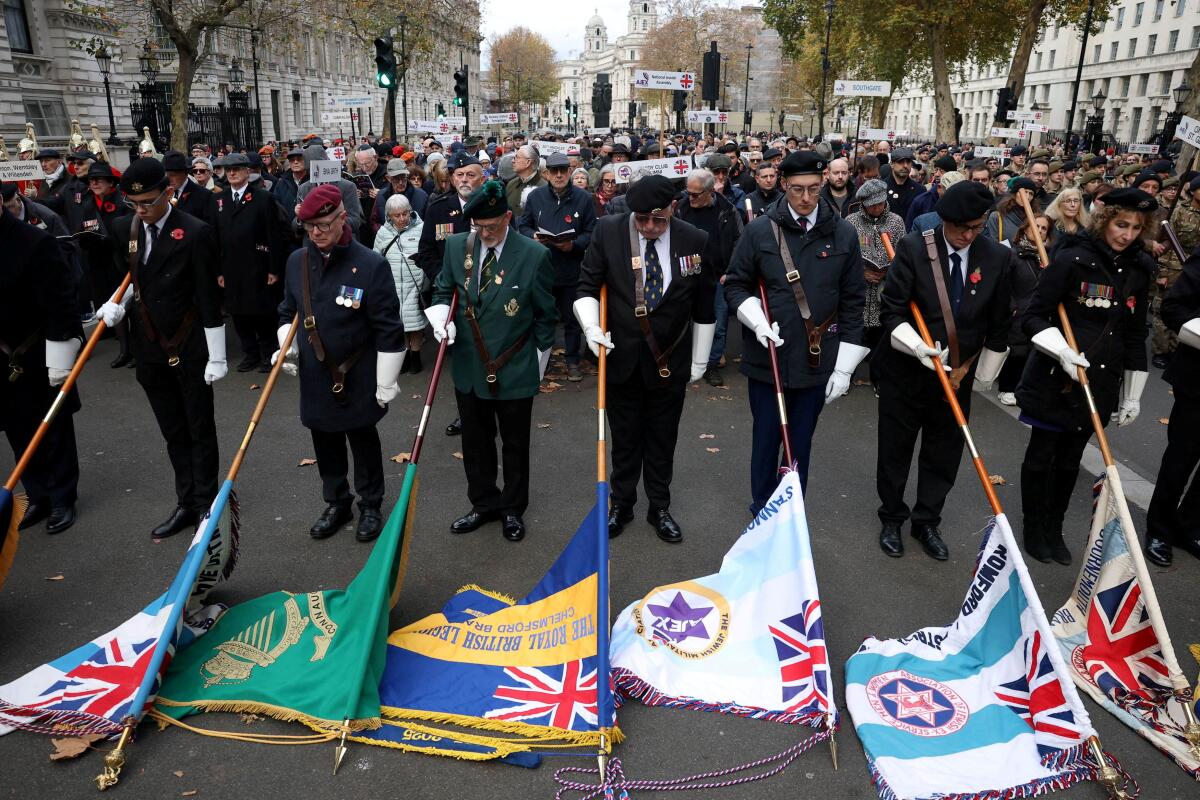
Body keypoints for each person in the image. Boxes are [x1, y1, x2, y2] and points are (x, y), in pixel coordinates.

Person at [872, 181, 1013, 560]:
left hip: (957, 376)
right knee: (895, 450)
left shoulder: (996, 256)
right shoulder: (916, 247)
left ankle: (926, 521)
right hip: (907, 370)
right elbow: (892, 310)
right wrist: (918, 347)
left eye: (977, 227)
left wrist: (983, 371)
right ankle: (892, 518)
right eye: (961, 227)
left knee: (944, 452)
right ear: (945, 220)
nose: (968, 235)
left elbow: (1000, 320)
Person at [1014, 189, 1154, 566]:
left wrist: (1133, 393)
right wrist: (1062, 352)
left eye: (1136, 228)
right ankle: (1032, 526)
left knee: (1070, 460)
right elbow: (1033, 316)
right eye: (1120, 224)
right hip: (1055, 378)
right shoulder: (1073, 259)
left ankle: (1054, 526)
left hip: (1100, 384)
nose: (1126, 235)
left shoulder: (1140, 270)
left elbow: (1135, 333)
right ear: (1105, 220)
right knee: (1042, 456)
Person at [575, 171, 715, 543]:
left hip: (671, 359)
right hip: (622, 356)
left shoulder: (695, 239)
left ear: (673, 207)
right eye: (642, 219)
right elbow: (587, 284)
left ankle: (660, 506)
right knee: (624, 437)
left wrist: (701, 359)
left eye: (659, 219)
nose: (651, 227)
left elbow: (704, 304)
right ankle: (621, 504)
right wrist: (591, 328)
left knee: (662, 438)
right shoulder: (609, 231)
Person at [725, 151, 867, 514]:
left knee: (799, 443)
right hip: (767, 359)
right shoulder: (759, 231)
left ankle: (789, 512)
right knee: (766, 440)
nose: (806, 199)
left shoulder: (844, 233)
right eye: (798, 190)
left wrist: (845, 368)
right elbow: (736, 285)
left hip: (816, 360)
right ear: (784, 185)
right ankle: (762, 509)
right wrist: (755, 321)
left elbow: (853, 302)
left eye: (814, 190)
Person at [98, 158, 226, 540]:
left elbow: (207, 296)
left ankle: (206, 502)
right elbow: (136, 277)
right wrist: (118, 303)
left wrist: (217, 353)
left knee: (199, 426)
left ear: (169, 193)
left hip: (189, 345)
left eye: (149, 202)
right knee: (172, 429)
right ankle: (185, 500)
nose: (141, 211)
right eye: (134, 204)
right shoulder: (126, 228)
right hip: (149, 346)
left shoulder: (195, 231)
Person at [426, 180, 557, 543]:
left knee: (514, 444)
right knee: (476, 442)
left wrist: (537, 361)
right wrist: (441, 318)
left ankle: (513, 508)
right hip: (469, 365)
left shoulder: (533, 255)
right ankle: (483, 504)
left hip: (514, 365)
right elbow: (442, 289)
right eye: (479, 227)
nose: (485, 233)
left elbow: (547, 316)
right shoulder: (457, 247)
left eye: (493, 227)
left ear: (508, 218)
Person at [274, 184, 406, 542]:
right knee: (324, 439)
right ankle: (336, 501)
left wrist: (386, 379)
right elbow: (288, 310)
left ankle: (370, 503)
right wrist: (285, 344)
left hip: (358, 370)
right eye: (309, 227)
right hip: (316, 372)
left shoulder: (369, 264)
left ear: (342, 218)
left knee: (363, 439)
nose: (316, 233)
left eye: (324, 225)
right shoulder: (297, 261)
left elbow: (389, 328)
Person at [1, 198, 83, 534]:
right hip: (0, 355)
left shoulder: (34, 241)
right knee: (15, 426)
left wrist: (61, 356)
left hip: (37, 349)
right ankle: (37, 494)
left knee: (53, 425)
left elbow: (61, 301)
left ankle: (63, 497)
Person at [517, 152, 597, 382]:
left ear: (571, 171)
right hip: (543, 269)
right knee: (542, 316)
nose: (559, 175)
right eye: (554, 171)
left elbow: (592, 232)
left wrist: (574, 244)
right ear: (546, 174)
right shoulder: (536, 197)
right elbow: (523, 226)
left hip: (571, 268)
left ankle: (572, 360)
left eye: (563, 170)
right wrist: (533, 236)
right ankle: (543, 359)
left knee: (572, 319)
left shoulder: (583, 198)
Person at [1144, 251, 1200, 566]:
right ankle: (1160, 529)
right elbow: (1173, 308)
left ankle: (1188, 526)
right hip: (1198, 382)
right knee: (1181, 459)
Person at [215, 153, 287, 374]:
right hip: (231, 266)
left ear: (248, 172)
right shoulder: (219, 199)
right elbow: (215, 237)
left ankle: (268, 354)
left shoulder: (262, 198)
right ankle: (250, 353)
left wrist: (274, 268)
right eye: (229, 170)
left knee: (262, 312)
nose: (233, 173)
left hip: (258, 264)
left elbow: (274, 234)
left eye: (237, 169)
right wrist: (219, 270)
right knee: (238, 313)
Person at [675, 167, 743, 387]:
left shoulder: (727, 209)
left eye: (695, 194)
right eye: (688, 192)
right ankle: (683, 362)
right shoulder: (681, 207)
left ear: (710, 191)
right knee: (683, 321)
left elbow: (738, 243)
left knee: (717, 323)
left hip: (717, 277)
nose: (690, 197)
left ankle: (711, 364)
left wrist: (730, 272)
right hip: (687, 275)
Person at [846, 178, 906, 386]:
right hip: (859, 290)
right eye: (872, 205)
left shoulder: (896, 221)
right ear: (864, 204)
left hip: (884, 288)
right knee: (854, 335)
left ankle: (879, 380)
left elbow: (903, 255)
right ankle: (846, 376)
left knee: (882, 338)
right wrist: (862, 271)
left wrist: (887, 271)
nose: (877, 208)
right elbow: (844, 256)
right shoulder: (851, 222)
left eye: (880, 204)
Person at [996, 214, 1053, 406]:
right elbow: (1003, 283)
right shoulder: (1013, 253)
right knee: (1016, 352)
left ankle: (1026, 389)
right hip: (1018, 311)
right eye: (1035, 226)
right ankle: (1007, 388)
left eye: (1044, 228)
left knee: (1034, 352)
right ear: (1025, 228)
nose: (1039, 230)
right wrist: (1011, 306)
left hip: (1039, 313)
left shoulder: (1049, 258)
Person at [375, 193, 428, 374]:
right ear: (389, 216)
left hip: (416, 282)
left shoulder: (422, 229)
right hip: (394, 285)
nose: (402, 218)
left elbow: (428, 254)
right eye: (396, 215)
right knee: (400, 323)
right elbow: (376, 259)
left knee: (415, 323)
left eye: (405, 213)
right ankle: (405, 356)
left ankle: (416, 356)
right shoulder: (383, 233)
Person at [1152, 175, 1200, 368]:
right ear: (1194, 191)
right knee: (1163, 309)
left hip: (1195, 270)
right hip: (1174, 265)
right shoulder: (1179, 212)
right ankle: (1161, 350)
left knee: (1189, 309)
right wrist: (1162, 272)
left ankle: (1176, 347)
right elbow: (1167, 242)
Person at [163, 150, 218, 227]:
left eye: (173, 175)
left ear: (185, 173)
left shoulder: (204, 196)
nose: (168, 179)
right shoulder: (161, 193)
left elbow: (209, 227)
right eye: (166, 175)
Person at [883, 148, 922, 221]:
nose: (905, 166)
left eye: (908, 162)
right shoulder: (881, 188)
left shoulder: (920, 190)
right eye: (900, 162)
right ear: (892, 164)